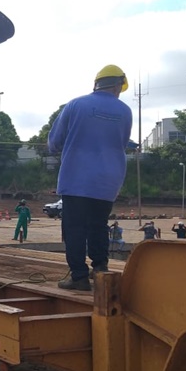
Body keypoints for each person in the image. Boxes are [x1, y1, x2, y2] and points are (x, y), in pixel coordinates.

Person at [47, 64, 133, 291]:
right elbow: (122, 143)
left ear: (96, 84)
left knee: (75, 227)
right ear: (117, 86)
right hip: (108, 180)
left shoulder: (75, 105)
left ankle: (78, 276)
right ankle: (100, 269)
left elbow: (54, 142)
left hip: (77, 178)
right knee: (98, 224)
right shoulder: (125, 111)